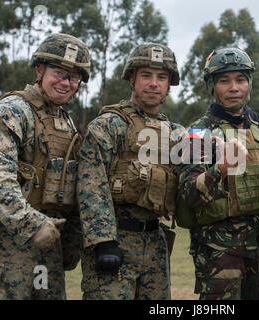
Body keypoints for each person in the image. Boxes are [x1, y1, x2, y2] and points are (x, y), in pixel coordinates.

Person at [0, 33, 90, 300]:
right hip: (8, 248)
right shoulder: (12, 111)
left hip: (48, 248)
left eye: (73, 77)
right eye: (58, 72)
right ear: (39, 70)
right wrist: (31, 224)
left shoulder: (65, 122)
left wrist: (70, 239)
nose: (65, 82)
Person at [177, 47, 259, 300]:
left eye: (240, 80)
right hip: (216, 251)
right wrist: (221, 168)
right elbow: (188, 195)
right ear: (212, 87)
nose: (233, 87)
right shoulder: (199, 133)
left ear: (249, 84)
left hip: (254, 245)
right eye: (224, 81)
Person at [78, 42, 182, 300]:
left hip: (156, 243)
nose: (153, 84)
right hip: (115, 242)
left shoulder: (176, 133)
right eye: (146, 75)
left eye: (161, 77)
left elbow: (190, 182)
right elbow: (91, 184)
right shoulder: (109, 125)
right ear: (133, 79)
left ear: (169, 84)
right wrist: (103, 240)